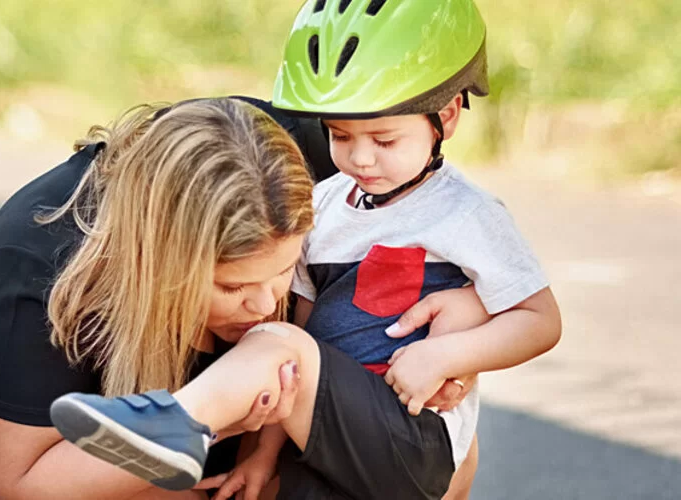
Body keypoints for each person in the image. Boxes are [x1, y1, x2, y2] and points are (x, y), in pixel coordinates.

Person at [50, 1, 562, 499]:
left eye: (384, 140)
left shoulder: (466, 213)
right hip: (321, 439)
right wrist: (261, 456)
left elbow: (540, 320)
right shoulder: (325, 204)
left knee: (275, 339)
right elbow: (301, 346)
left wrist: (445, 354)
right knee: (279, 341)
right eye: (340, 135)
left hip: (411, 437)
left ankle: (179, 425)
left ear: (445, 117)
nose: (360, 158)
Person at [0, 96, 472, 500]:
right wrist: (216, 419)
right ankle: (181, 423)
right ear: (154, 260)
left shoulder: (336, 158)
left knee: (436, 467)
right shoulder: (34, 264)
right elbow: (21, 483)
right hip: (46, 457)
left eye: (283, 270)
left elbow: (457, 246)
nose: (263, 305)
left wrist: (462, 337)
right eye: (232, 286)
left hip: (240, 433)